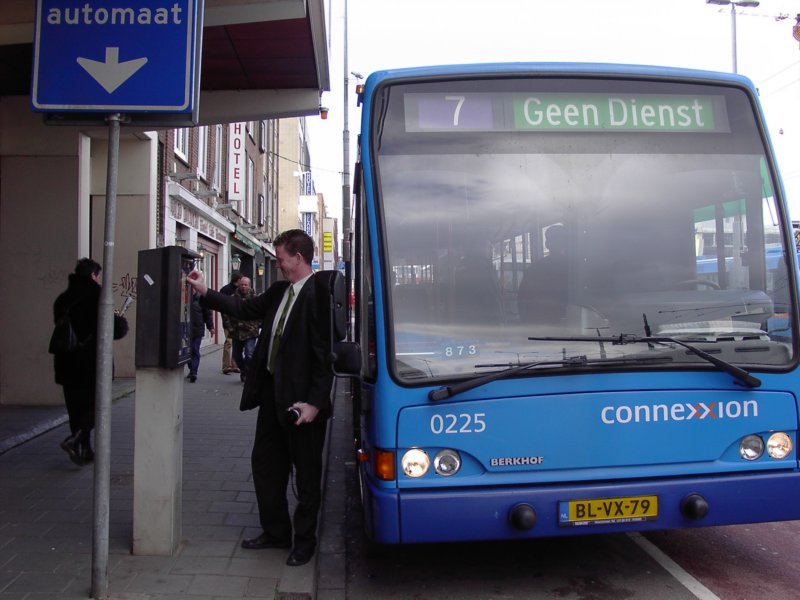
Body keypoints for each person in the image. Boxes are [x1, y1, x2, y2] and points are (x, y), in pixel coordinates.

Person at [187, 229, 333, 567]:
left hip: (302, 404)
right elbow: (242, 308)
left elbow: (326, 355)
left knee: (307, 474)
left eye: (281, 258)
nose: (278, 264)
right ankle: (276, 532)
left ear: (298, 257)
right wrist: (205, 291)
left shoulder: (319, 295)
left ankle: (305, 541)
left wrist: (314, 402)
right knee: (266, 465)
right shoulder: (280, 291)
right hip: (272, 396)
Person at [52, 258, 128, 466]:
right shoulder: (98, 297)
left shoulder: (62, 299)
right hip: (93, 362)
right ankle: (78, 438)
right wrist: (120, 320)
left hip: (66, 362)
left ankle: (84, 448)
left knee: (74, 406)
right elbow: (116, 330)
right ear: (94, 275)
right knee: (97, 404)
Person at [518, 224, 569, 324]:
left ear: (547, 244)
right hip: (575, 331)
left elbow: (523, 304)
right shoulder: (577, 270)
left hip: (542, 330)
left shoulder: (534, 270)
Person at [229, 276, 260, 382]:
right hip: (236, 331)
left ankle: (248, 373)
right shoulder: (233, 297)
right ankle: (244, 371)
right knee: (237, 355)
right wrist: (229, 327)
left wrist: (258, 324)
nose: (243, 287)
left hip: (251, 331)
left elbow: (261, 312)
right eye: (242, 284)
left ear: (249, 285)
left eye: (245, 285)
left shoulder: (255, 298)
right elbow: (226, 313)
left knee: (249, 353)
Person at [186, 290, 215, 383]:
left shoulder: (202, 299)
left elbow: (207, 314)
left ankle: (194, 372)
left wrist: (211, 327)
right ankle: (191, 368)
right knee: (187, 352)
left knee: (195, 349)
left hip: (197, 329)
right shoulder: (185, 297)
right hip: (186, 330)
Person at [219, 270, 242, 374]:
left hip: (237, 321)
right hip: (228, 320)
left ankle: (234, 364)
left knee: (235, 343)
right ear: (236, 281)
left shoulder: (239, 290)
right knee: (229, 342)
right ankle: (226, 366)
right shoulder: (226, 290)